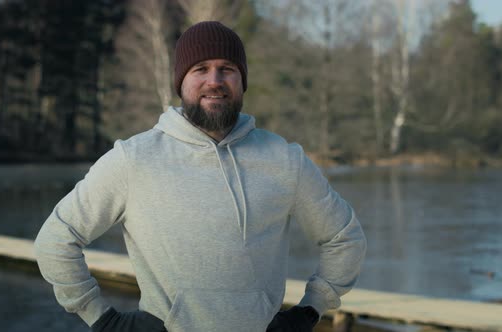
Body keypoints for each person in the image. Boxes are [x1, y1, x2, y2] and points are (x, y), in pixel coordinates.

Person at [34, 21, 366, 332]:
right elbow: (56, 239)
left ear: (242, 80)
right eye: (200, 69)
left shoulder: (284, 159)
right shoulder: (134, 159)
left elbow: (345, 238)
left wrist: (309, 310)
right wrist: (102, 320)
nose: (214, 80)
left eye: (227, 69)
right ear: (181, 81)